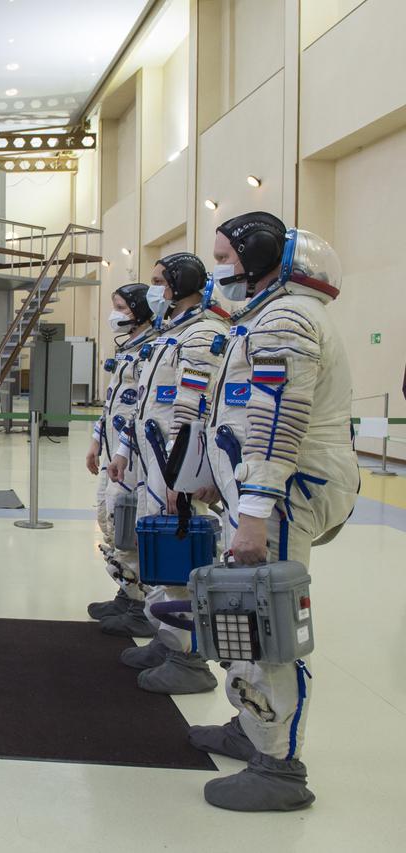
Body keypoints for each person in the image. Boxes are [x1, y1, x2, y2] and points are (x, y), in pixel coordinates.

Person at [186, 215, 358, 812]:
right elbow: (233, 411)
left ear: (259, 258)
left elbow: (280, 417)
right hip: (259, 492)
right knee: (241, 618)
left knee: (265, 627)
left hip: (283, 493)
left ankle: (280, 768)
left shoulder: (288, 318)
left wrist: (256, 509)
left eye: (226, 257)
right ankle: (251, 726)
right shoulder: (265, 316)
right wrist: (218, 480)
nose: (219, 270)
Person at [103, 253, 229, 698]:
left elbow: (192, 410)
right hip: (152, 460)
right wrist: (123, 451)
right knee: (154, 548)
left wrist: (183, 475)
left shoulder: (201, 334)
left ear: (180, 283)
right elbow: (141, 406)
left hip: (173, 465)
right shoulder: (169, 334)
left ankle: (189, 657)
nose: (154, 288)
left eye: (160, 280)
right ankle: (168, 637)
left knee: (178, 559)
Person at [86, 283, 155, 621]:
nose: (116, 314)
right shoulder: (127, 349)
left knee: (129, 526)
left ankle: (140, 603)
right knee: (108, 518)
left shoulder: (152, 350)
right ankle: (126, 592)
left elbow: (142, 408)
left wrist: (123, 448)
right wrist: (96, 441)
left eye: (122, 307)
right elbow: (111, 403)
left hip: (134, 458)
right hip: (113, 454)